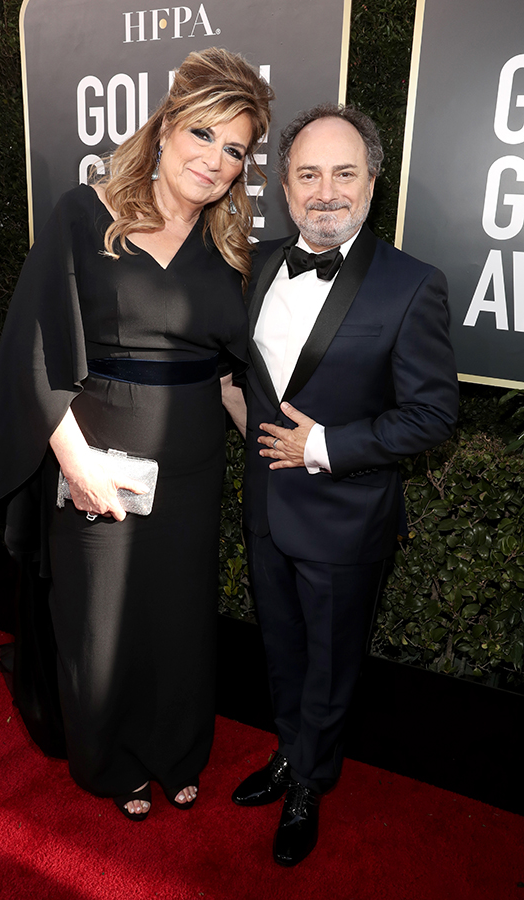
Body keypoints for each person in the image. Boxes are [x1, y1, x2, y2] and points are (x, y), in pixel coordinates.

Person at [0, 48, 272, 820]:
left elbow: (228, 376)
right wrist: (76, 466)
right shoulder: (86, 215)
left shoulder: (227, 248)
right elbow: (35, 354)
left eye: (234, 149)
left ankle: (177, 750)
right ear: (168, 125)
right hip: (97, 460)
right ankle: (112, 760)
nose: (215, 160)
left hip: (193, 471)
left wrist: (280, 444)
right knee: (100, 622)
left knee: (179, 619)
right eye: (203, 134)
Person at [232, 104, 459, 865]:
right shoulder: (255, 265)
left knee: (331, 664)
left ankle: (311, 781)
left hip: (346, 517)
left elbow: (433, 415)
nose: (325, 191)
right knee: (281, 650)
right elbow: (248, 380)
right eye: (308, 174)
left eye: (343, 173)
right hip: (266, 507)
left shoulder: (411, 285)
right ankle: (288, 752)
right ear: (285, 187)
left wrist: (326, 445)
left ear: (371, 181)